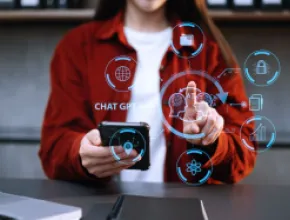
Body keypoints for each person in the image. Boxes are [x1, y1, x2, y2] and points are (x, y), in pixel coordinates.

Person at [39, 0, 257, 184]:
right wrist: (80, 152)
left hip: (183, 212)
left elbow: (244, 152)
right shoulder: (77, 47)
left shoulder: (209, 52)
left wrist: (213, 140)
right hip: (102, 209)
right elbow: (53, 148)